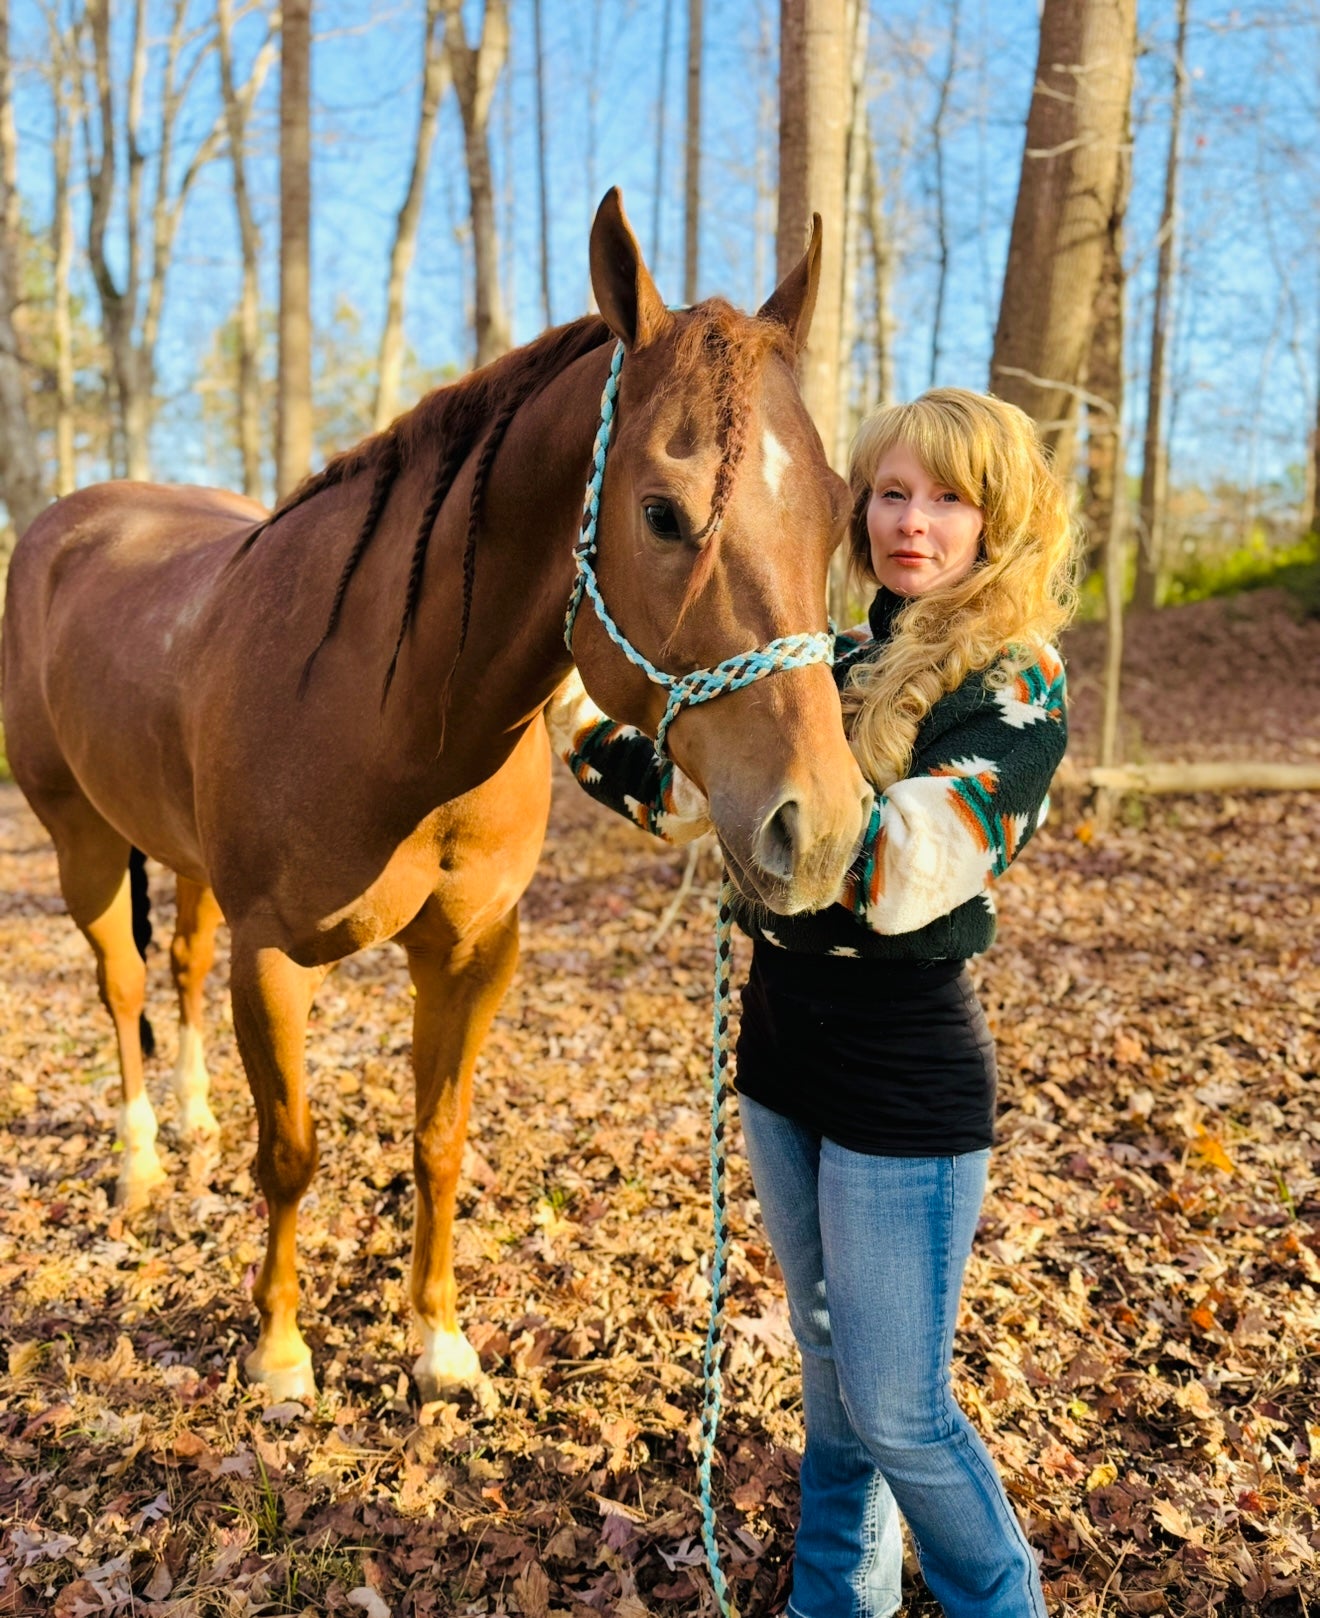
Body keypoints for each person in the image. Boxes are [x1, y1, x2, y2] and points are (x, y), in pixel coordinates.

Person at [546, 387, 1078, 1618]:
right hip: (781, 1052)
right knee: (834, 1387)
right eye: (890, 491)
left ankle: (1005, 1600)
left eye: (949, 497)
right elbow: (690, 797)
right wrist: (577, 711)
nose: (913, 521)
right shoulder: (824, 663)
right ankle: (835, 1601)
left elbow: (908, 868)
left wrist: (776, 803)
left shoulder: (1017, 681)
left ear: (998, 521)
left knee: (901, 1405)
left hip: (902, 1069)